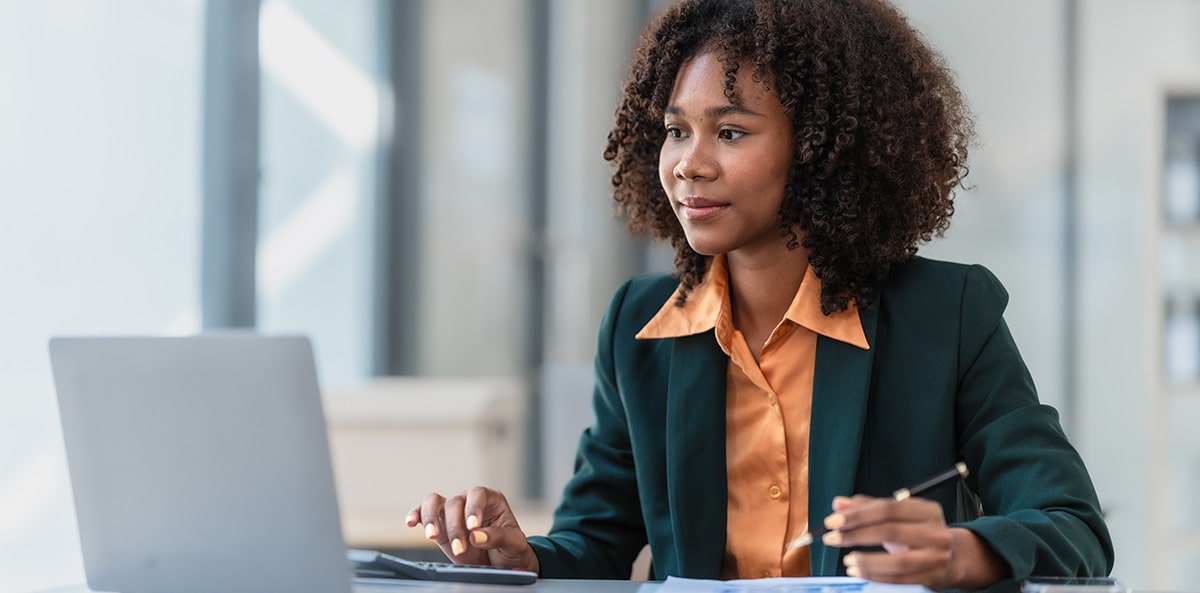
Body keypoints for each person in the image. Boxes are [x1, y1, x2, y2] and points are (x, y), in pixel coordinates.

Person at [406, 0, 1115, 588]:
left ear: (820, 147)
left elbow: (1073, 526)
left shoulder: (948, 315)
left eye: (731, 131)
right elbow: (596, 540)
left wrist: (961, 553)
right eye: (677, 131)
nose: (689, 164)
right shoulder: (637, 326)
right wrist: (520, 558)